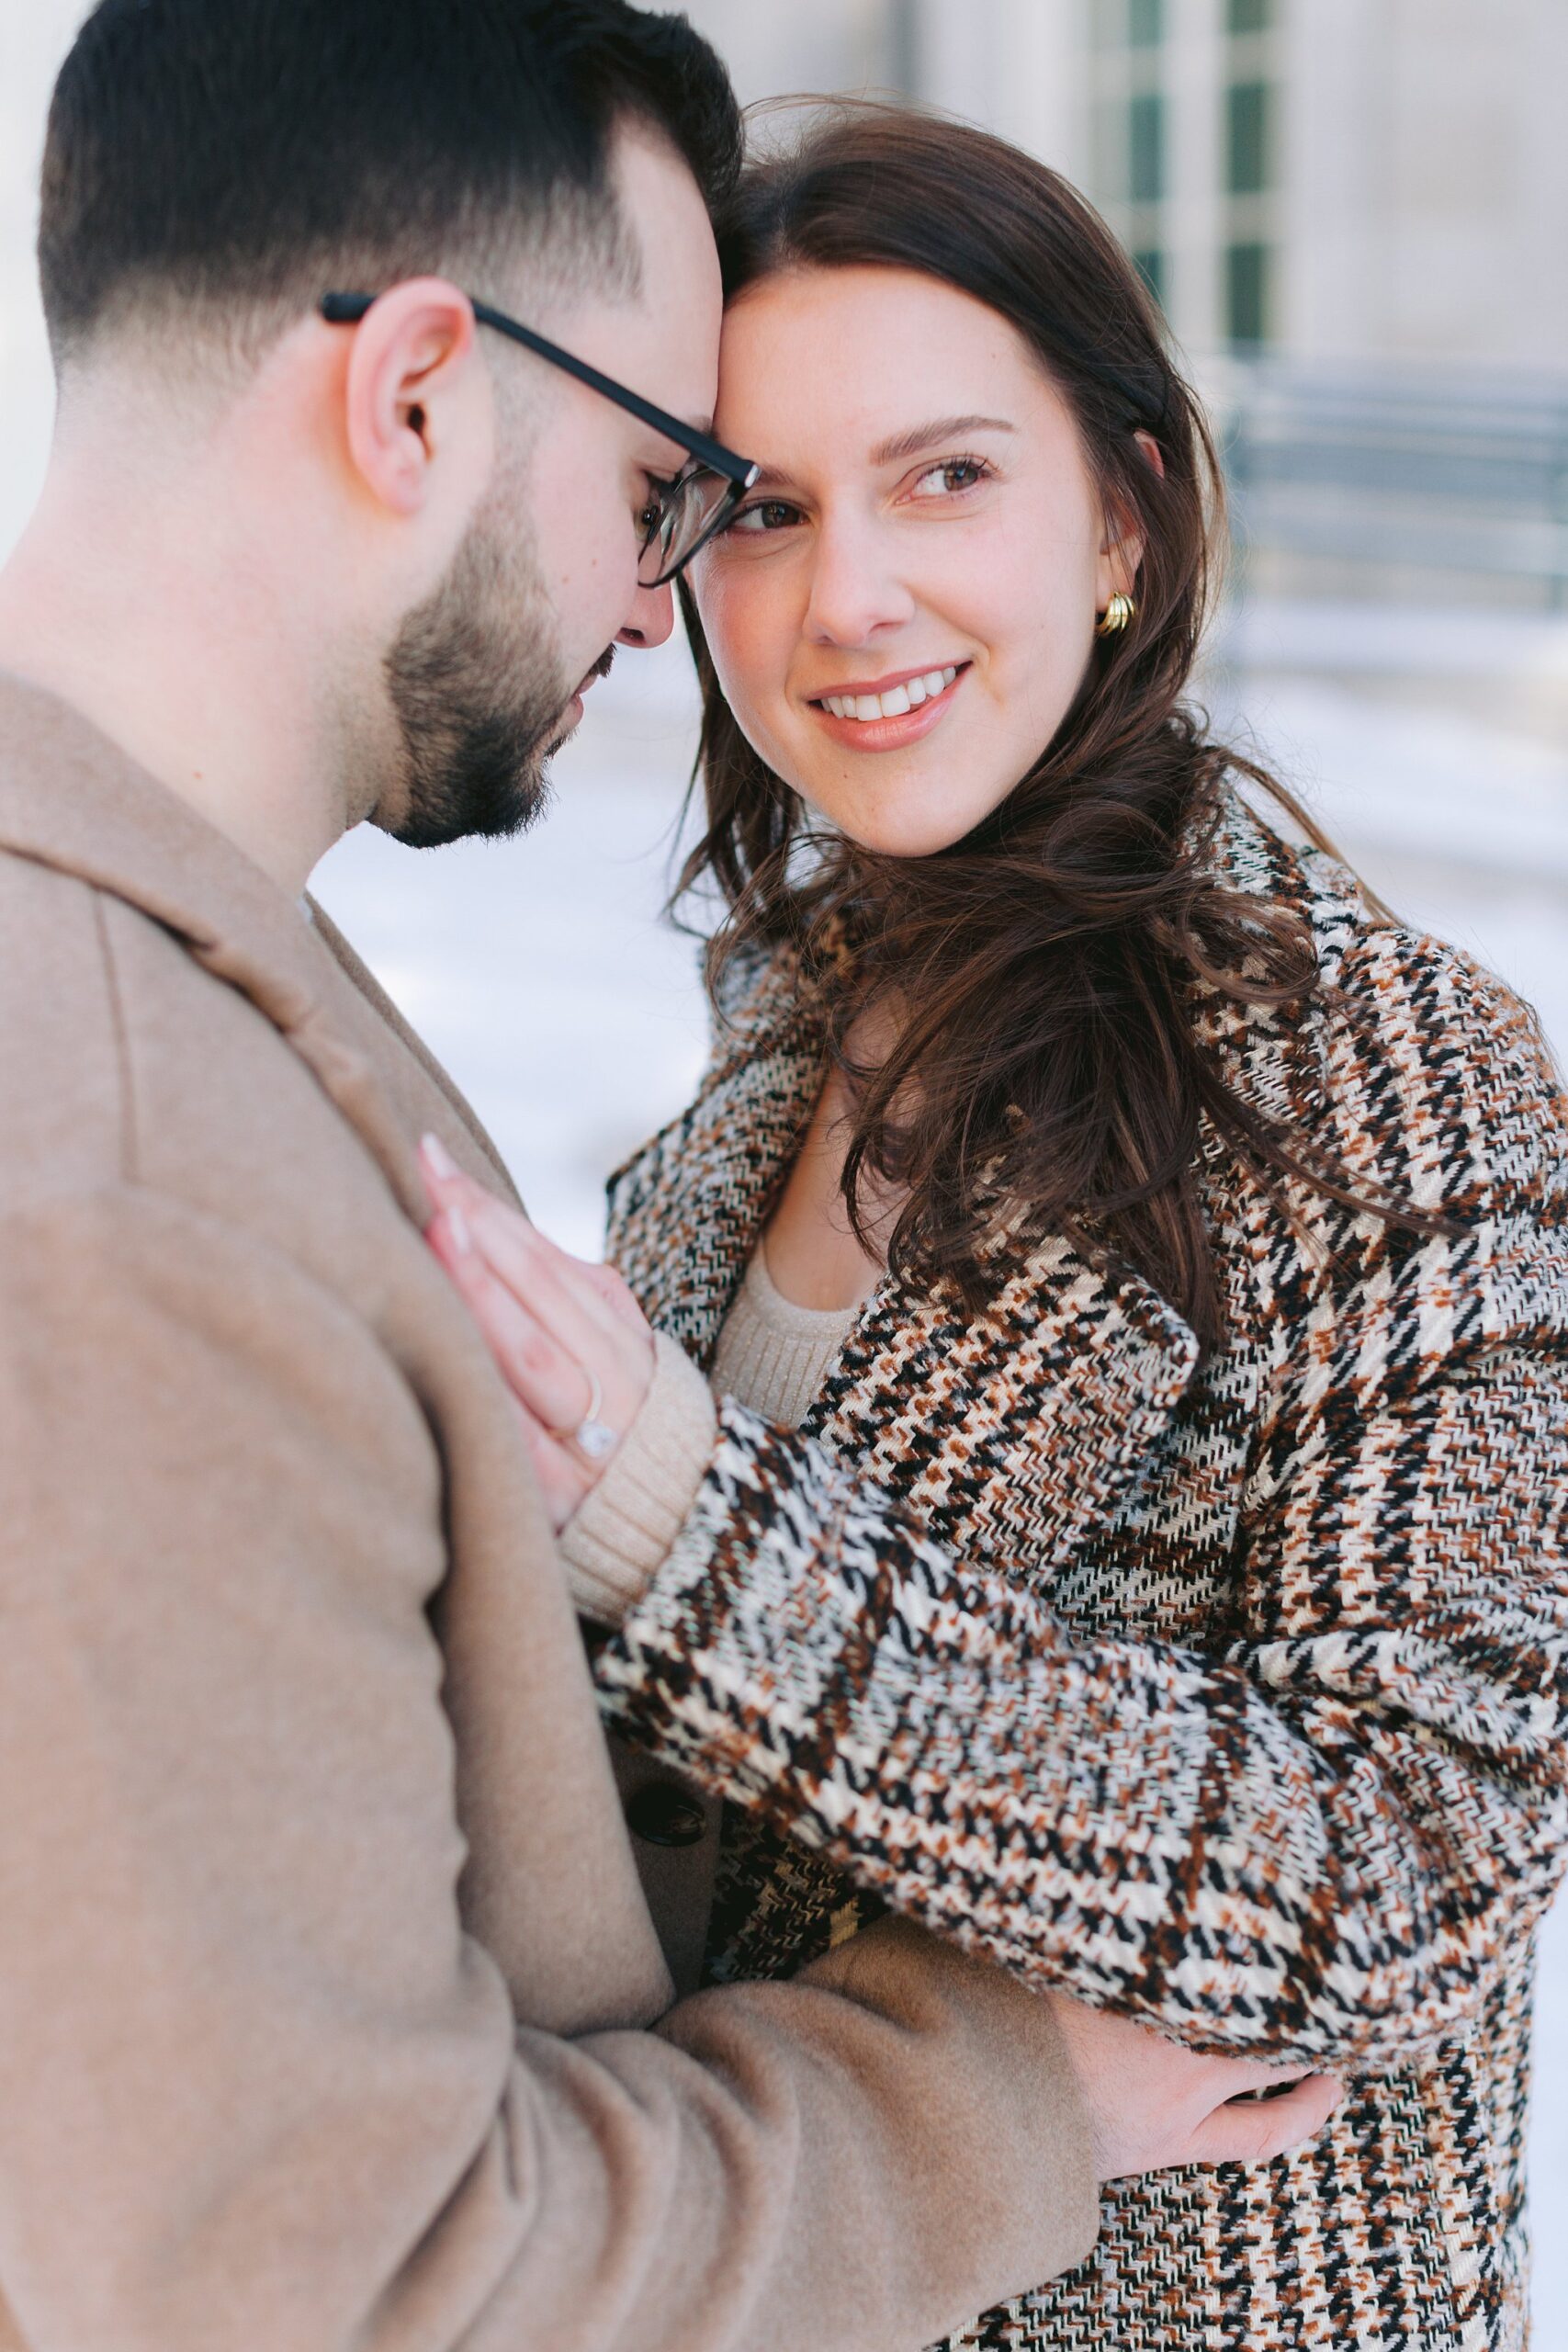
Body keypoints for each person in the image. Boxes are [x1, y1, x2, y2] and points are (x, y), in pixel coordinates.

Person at [0, 14, 1345, 2352]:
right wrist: (991, 2092)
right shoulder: (121, 1153)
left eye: (938, 478)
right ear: (415, 398)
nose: (667, 610)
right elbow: (324, 2279)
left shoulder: (184, 968)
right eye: (672, 493)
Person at [423, 102, 1568, 2352]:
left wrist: (692, 1542)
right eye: (758, 505)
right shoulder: (779, 1027)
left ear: (1121, 510)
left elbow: (1416, 1864)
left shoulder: (1391, 1079)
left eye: (945, 474)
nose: (845, 595)